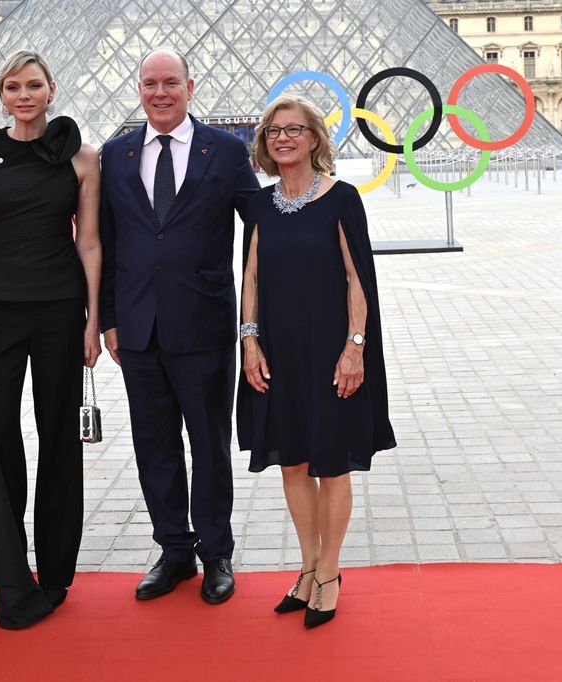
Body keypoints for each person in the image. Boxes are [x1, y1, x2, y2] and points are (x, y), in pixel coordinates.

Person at [0, 50, 101, 630]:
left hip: (60, 310)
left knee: (60, 437)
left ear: (52, 89)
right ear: (1, 94)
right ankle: (11, 573)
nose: (24, 95)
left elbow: (89, 243)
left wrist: (92, 318)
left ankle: (56, 572)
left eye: (34, 85)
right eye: (13, 86)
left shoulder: (83, 158)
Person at [98, 49, 259, 605]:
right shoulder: (115, 154)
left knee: (210, 446)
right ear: (138, 88)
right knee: (155, 446)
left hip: (206, 325)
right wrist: (109, 320)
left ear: (191, 86)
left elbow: (260, 232)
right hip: (138, 330)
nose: (160, 93)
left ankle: (216, 553)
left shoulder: (228, 151)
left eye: (171, 83)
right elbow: (106, 241)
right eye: (150, 83)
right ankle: (173, 550)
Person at [237, 96, 396, 629]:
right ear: (265, 142)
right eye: (274, 131)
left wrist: (356, 347)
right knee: (293, 463)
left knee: (331, 462)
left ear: (313, 139)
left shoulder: (342, 198)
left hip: (329, 350)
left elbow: (359, 277)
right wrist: (249, 342)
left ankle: (329, 572)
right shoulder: (258, 206)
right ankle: (307, 566)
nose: (283, 138)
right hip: (278, 351)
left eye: (294, 130)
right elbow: (251, 277)